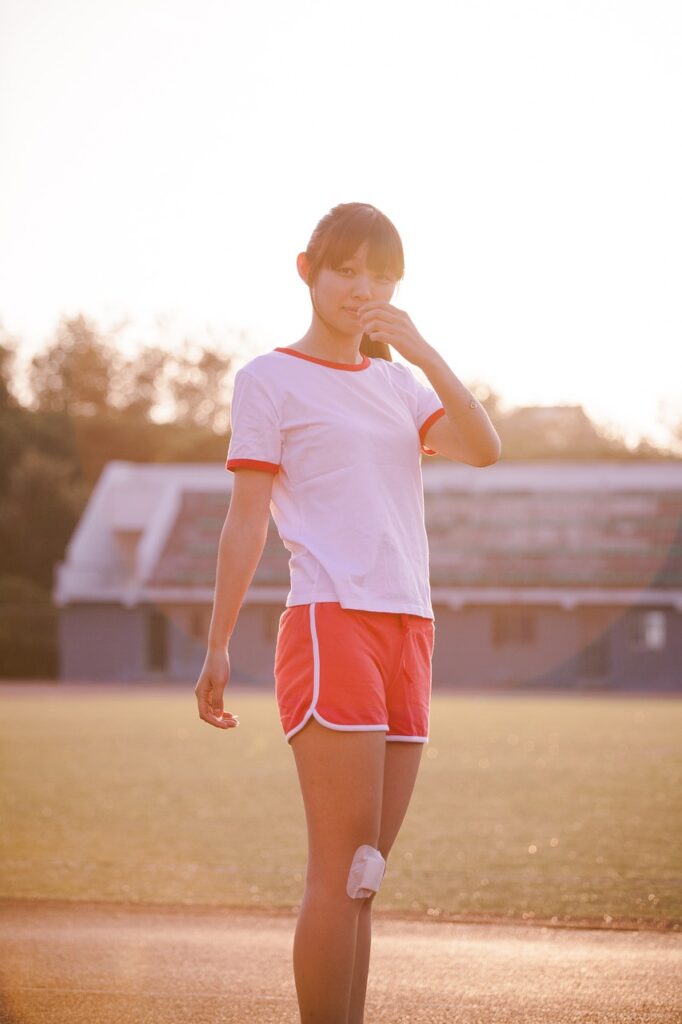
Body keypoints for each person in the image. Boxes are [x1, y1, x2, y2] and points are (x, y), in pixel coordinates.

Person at [194, 202, 501, 1023]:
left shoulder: (402, 384)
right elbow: (247, 516)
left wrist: (424, 349)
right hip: (333, 621)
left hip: (411, 626)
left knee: (368, 870)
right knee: (337, 869)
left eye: (383, 274)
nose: (363, 288)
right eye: (347, 270)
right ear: (308, 270)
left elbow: (483, 446)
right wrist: (218, 644)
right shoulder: (269, 378)